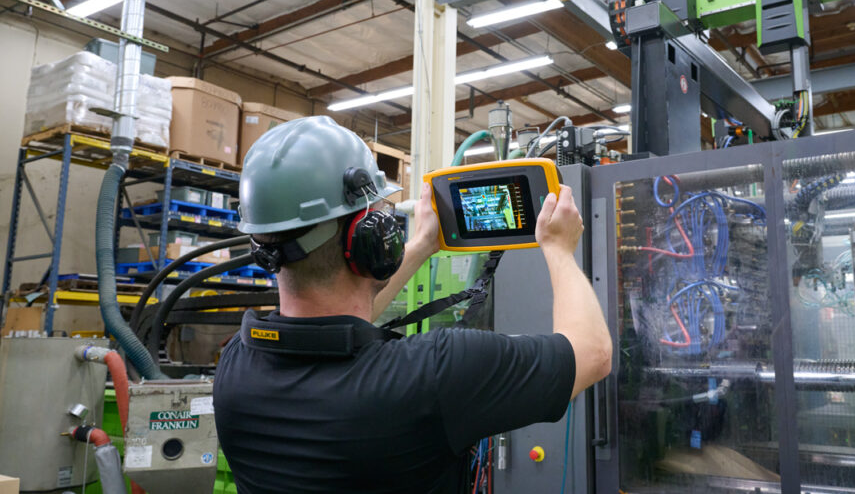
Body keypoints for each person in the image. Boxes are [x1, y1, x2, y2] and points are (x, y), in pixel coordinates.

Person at [214, 116, 612, 493]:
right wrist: (560, 251)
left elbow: (337, 319)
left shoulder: (234, 368)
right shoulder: (436, 372)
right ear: (371, 242)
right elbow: (592, 353)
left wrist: (422, 246)